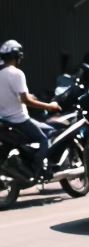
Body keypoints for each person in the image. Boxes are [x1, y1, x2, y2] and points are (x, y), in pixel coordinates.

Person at [0, 39, 61, 172]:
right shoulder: (17, 73)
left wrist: (29, 96)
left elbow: (14, 94)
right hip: (20, 120)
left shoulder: (1, 74)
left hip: (5, 120)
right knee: (46, 137)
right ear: (17, 57)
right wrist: (50, 106)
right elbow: (26, 101)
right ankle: (37, 169)